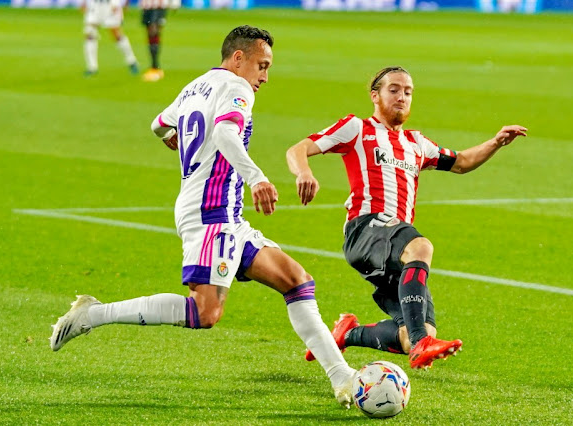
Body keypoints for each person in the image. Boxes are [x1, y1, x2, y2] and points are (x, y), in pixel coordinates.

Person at [50, 25, 357, 408]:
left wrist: (172, 141)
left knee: (297, 281)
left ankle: (343, 378)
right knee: (205, 311)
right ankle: (93, 314)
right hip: (212, 212)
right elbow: (227, 133)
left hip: (219, 211)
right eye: (261, 65)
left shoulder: (195, 86)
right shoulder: (237, 87)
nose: (264, 76)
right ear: (238, 57)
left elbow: (158, 124)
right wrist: (257, 178)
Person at [286, 66, 527, 370]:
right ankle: (422, 345)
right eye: (394, 89)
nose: (402, 96)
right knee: (421, 247)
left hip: (392, 245)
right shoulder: (357, 128)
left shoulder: (417, 143)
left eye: (408, 91)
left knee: (414, 333)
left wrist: (495, 142)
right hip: (367, 227)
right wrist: (304, 172)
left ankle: (349, 334)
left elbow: (462, 162)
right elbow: (298, 149)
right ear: (375, 95)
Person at [81, 0, 139, 76]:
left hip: (110, 4)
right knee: (89, 33)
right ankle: (92, 67)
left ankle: (132, 61)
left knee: (116, 34)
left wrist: (118, 3)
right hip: (95, 5)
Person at [139, 0, 180, 82]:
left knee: (153, 32)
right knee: (150, 35)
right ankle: (154, 67)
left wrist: (175, 3)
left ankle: (155, 68)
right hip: (146, 6)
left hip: (158, 7)